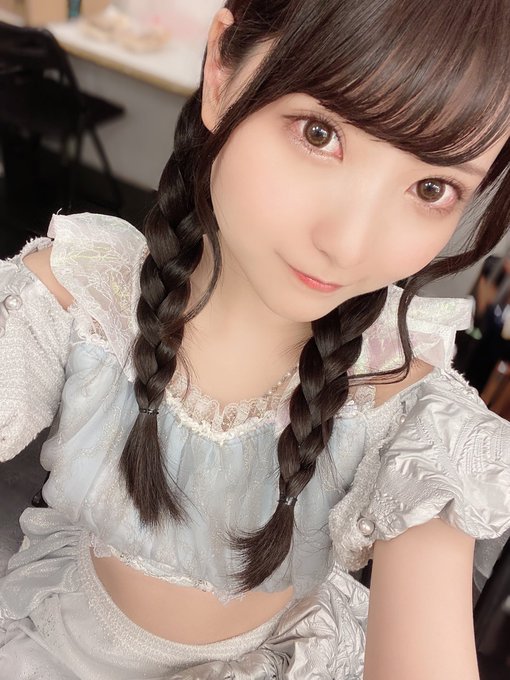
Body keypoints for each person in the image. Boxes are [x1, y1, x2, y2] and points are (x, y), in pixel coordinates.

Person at [1, 1, 510, 678]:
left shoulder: (412, 414)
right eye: (320, 134)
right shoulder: (84, 297)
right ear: (221, 69)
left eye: (431, 187)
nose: (347, 243)